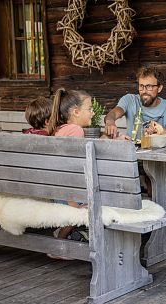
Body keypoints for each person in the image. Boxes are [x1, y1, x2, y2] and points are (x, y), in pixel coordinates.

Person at [46, 88, 94, 259]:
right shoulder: (75, 130)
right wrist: (74, 205)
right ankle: (61, 241)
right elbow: (68, 171)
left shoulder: (61, 129)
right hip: (67, 196)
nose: (92, 112)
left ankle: (70, 237)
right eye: (89, 109)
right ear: (75, 111)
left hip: (58, 193)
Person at [104, 66, 166, 139]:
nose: (144, 91)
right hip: (132, 148)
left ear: (159, 88)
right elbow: (114, 113)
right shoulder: (130, 100)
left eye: (149, 86)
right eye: (141, 86)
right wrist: (110, 121)